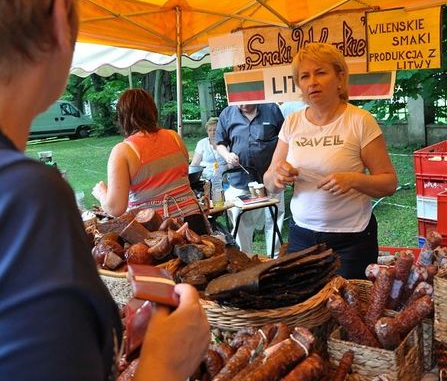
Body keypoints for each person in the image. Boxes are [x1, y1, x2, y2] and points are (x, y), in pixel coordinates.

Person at [0, 0, 209, 380]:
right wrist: (165, 364)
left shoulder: (115, 154)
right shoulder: (26, 196)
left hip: (156, 240)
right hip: (190, 222)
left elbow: (113, 206)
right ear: (63, 18)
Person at [264, 43, 398, 279]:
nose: (312, 81)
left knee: (347, 310)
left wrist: (354, 180)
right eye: (304, 76)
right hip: (301, 237)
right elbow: (268, 181)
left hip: (351, 240)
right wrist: (277, 176)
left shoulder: (360, 121)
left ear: (340, 78)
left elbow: (388, 183)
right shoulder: (292, 123)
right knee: (303, 309)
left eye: (321, 72)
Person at [92, 88, 209, 235]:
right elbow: (183, 175)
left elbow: (115, 208)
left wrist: (101, 192)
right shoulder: (174, 137)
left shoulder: (123, 151)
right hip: (192, 221)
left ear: (122, 117)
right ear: (153, 111)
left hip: (156, 229)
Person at [216, 103, 285, 255]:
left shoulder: (272, 109)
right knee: (242, 220)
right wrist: (227, 155)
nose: (243, 105)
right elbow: (220, 143)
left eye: (247, 101)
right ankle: (245, 257)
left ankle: (275, 257)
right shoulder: (227, 114)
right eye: (239, 103)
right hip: (241, 178)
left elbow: (285, 139)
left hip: (272, 176)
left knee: (274, 217)